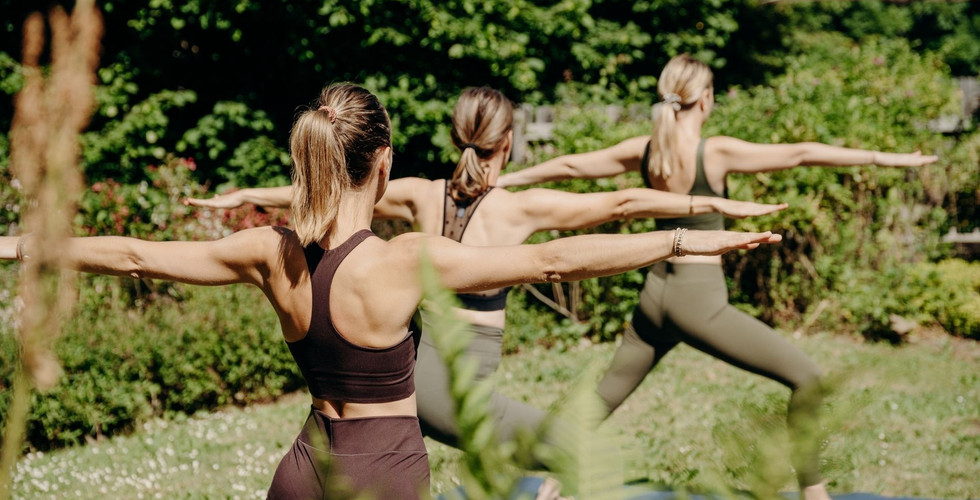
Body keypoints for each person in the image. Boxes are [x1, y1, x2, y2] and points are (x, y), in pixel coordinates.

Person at [2, 83, 782, 499]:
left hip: (304, 467)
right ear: (382, 164)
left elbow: (137, 255)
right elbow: (559, 261)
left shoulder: (269, 251)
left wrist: (19, 244)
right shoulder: (403, 260)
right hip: (383, 469)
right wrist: (689, 239)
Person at [185, 87, 787, 462]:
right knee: (580, 451)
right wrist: (715, 209)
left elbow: (328, 179)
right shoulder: (517, 206)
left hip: (410, 376)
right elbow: (623, 204)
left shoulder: (419, 193)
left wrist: (244, 195)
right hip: (455, 389)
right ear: (507, 143)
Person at [494, 54, 938, 500]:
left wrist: (507, 179)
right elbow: (802, 154)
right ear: (705, 99)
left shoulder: (645, 150)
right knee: (807, 378)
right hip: (698, 300)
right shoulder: (715, 151)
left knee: (601, 398)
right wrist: (887, 157)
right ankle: (814, 493)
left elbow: (570, 167)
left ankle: (543, 482)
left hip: (655, 297)